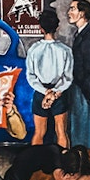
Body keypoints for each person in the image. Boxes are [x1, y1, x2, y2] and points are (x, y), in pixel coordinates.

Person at [25, 8, 73, 147]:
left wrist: (45, 92)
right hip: (60, 94)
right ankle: (64, 165)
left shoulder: (33, 49)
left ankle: (35, 166)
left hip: (40, 93)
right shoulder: (66, 50)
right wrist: (55, 93)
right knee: (61, 132)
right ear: (57, 27)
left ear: (40, 28)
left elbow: (31, 76)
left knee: (39, 133)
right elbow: (68, 78)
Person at [66, 0, 90, 147]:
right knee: (77, 128)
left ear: (82, 13)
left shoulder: (86, 38)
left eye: (72, 9)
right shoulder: (80, 35)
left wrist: (86, 92)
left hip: (83, 91)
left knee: (81, 131)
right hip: (78, 88)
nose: (69, 12)